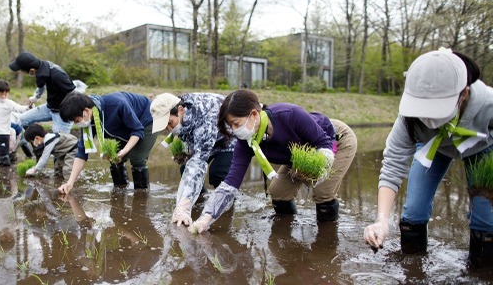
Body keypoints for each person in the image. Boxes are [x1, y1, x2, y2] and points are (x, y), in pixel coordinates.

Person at [363, 49, 493, 268]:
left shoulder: (488, 104)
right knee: (413, 210)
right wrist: (382, 220)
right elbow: (393, 165)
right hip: (434, 149)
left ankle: (480, 281)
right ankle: (413, 272)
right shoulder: (409, 119)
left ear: (464, 94)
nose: (429, 118)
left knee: (485, 217)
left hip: (481, 148)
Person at [188, 89, 357, 234]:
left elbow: (324, 143)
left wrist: (318, 170)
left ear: (253, 115)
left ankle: (325, 241)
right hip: (297, 154)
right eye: (229, 126)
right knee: (278, 192)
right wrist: (205, 218)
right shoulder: (245, 142)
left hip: (334, 140)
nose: (234, 130)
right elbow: (231, 183)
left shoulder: (290, 115)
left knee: (321, 192)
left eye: (235, 123)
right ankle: (285, 234)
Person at [150, 92, 236, 226]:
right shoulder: (183, 110)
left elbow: (199, 161)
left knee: (218, 172)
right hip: (209, 137)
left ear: (180, 110)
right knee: (185, 167)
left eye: (170, 123)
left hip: (230, 138)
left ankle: (225, 208)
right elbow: (192, 141)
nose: (169, 129)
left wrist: (182, 208)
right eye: (165, 127)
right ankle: (200, 200)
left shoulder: (204, 116)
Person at [57, 91, 159, 194]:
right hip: (126, 127)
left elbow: (137, 130)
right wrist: (70, 183)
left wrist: (125, 150)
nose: (76, 124)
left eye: (76, 120)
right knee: (115, 159)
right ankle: (120, 190)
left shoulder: (117, 104)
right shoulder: (88, 123)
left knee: (137, 159)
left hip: (147, 119)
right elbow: (81, 153)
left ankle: (141, 194)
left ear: (86, 111)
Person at [9, 51, 76, 134]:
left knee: (59, 140)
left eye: (22, 71)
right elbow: (41, 85)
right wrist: (36, 97)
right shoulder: (43, 68)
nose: (22, 72)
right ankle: (30, 144)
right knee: (22, 120)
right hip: (50, 107)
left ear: (32, 71)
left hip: (62, 114)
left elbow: (74, 94)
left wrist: (69, 113)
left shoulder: (57, 75)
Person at [0, 80, 29, 166]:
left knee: (4, 156)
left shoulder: (9, 103)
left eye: (6, 94)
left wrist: (28, 107)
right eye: (1, 94)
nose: (4, 96)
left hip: (3, 134)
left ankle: (7, 174)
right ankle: (1, 173)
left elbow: (19, 109)